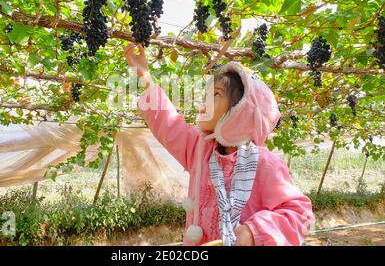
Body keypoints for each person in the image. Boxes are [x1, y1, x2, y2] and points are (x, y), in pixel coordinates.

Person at [124, 43, 314, 246]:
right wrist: (144, 75)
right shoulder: (200, 150)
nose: (204, 102)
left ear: (240, 111)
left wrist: (254, 232)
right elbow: (167, 123)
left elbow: (300, 215)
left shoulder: (265, 163)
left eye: (216, 95)